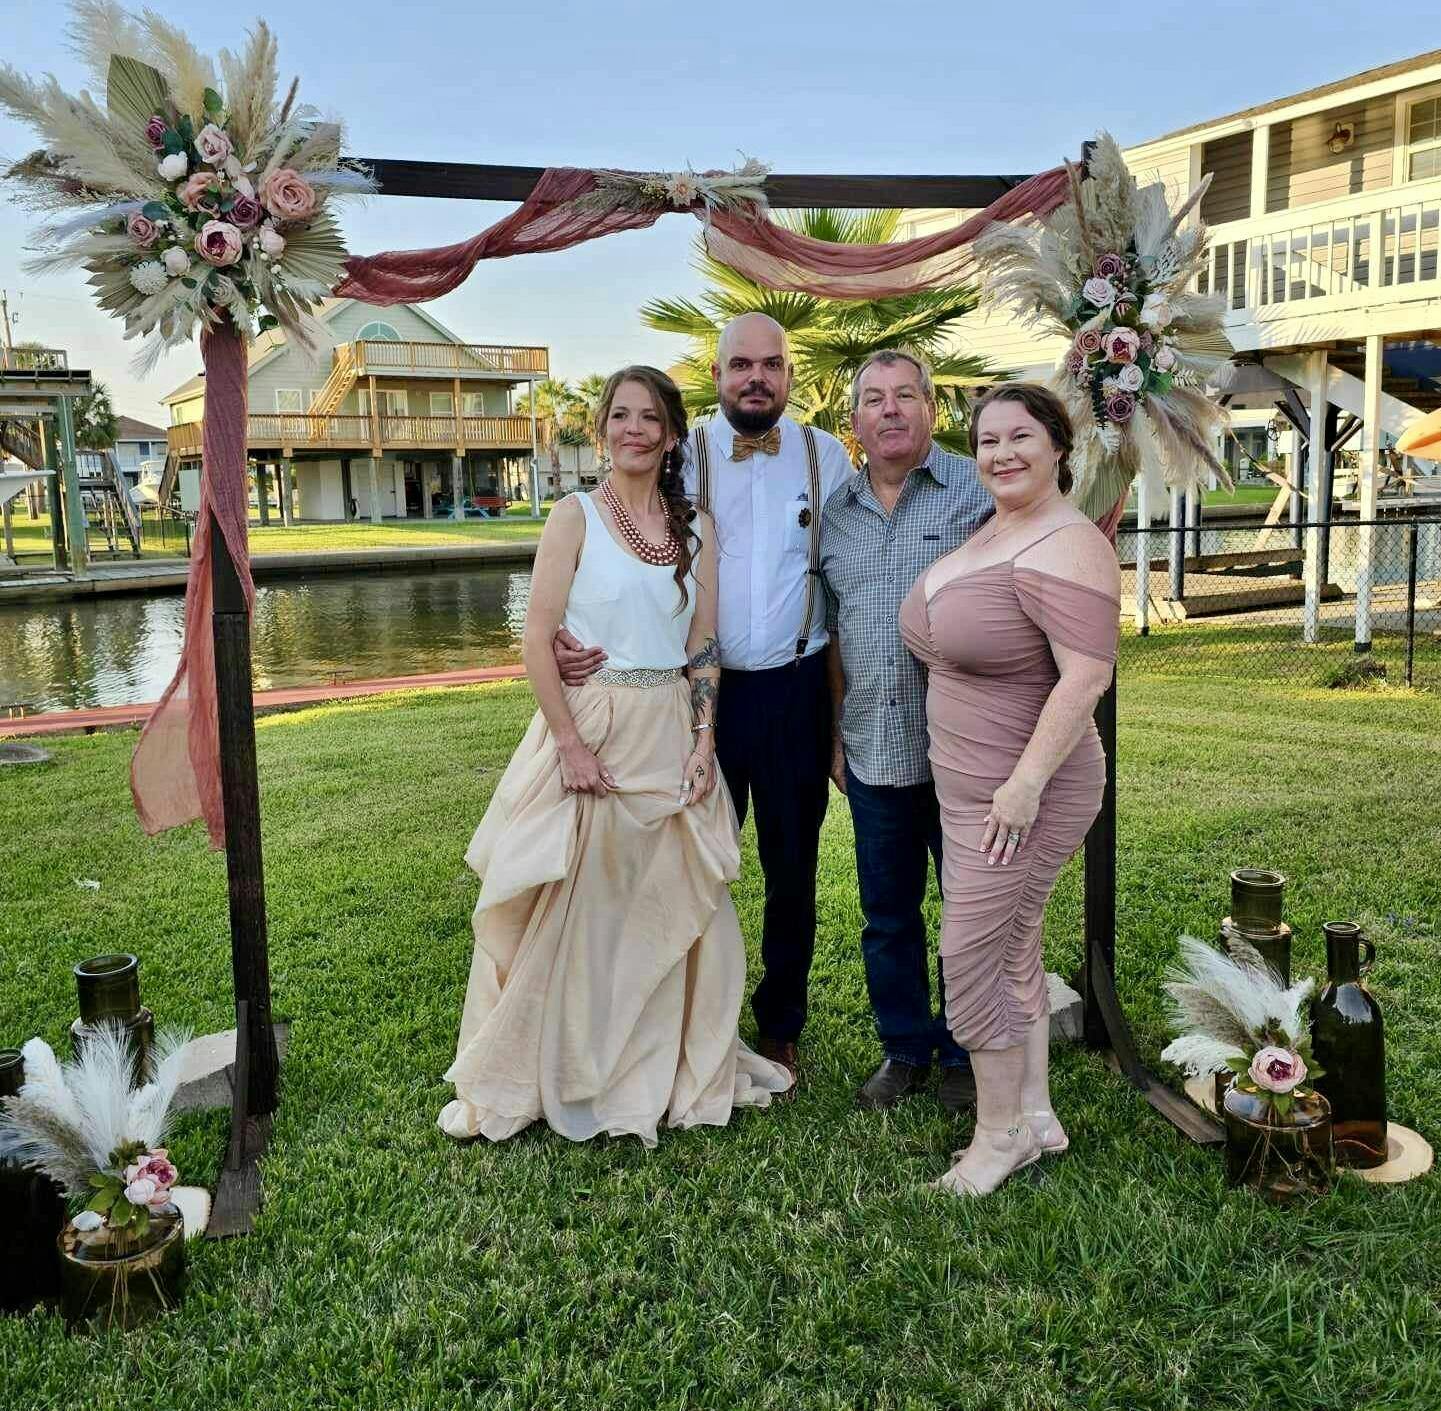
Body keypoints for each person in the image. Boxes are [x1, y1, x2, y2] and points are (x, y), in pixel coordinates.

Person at [438, 366, 793, 1146]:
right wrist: (568, 744)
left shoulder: (695, 527)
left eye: (650, 417)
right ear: (602, 429)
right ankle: (563, 1068)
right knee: (583, 908)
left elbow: (702, 643)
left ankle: (660, 1065)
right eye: (621, 415)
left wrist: (704, 738)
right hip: (593, 726)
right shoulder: (573, 517)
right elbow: (536, 638)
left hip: (669, 726)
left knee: (668, 902)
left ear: (670, 435)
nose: (634, 428)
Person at [554, 314, 852, 1083]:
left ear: (788, 375)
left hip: (793, 689)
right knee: (680, 859)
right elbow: (619, 550)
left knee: (792, 868)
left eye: (771, 364)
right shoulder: (675, 457)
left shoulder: (826, 457)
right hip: (688, 699)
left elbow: (853, 574)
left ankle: (779, 1023)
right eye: (740, 364)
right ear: (716, 375)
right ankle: (671, 1018)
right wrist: (563, 631)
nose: (756, 377)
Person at [898, 383, 1119, 1196]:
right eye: (987, 440)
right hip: (972, 792)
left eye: (1020, 436)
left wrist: (1023, 785)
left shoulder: (1070, 542)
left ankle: (997, 1138)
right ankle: (1033, 1112)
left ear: (1058, 445)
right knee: (1013, 944)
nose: (1001, 453)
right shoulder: (996, 530)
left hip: (1022, 795)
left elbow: (1085, 675)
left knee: (970, 956)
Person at [820, 349, 993, 1113]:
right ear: (853, 421)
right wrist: (835, 735)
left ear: (931, 408)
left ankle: (963, 1050)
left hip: (965, 753)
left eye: (903, 395)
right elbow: (833, 633)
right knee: (886, 916)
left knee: (970, 910)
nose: (888, 409)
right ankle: (903, 1049)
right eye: (872, 398)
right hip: (871, 751)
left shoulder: (978, 491)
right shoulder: (835, 515)